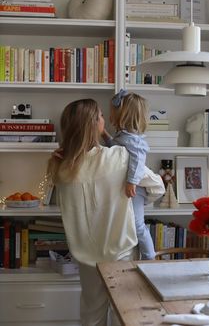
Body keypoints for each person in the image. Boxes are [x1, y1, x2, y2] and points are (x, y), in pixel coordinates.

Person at [47, 98, 165, 326]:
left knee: (92, 314)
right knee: (127, 313)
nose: (105, 120)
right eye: (101, 116)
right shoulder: (118, 157)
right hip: (120, 250)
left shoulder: (60, 167)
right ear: (93, 124)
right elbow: (157, 186)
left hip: (85, 255)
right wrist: (136, 203)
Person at [102, 89, 160, 260]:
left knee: (137, 224)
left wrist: (132, 182)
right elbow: (116, 150)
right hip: (128, 187)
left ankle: (150, 257)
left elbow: (137, 160)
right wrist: (105, 135)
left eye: (112, 113)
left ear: (122, 115)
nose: (109, 115)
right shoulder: (124, 136)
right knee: (128, 223)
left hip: (135, 189)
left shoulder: (133, 139)